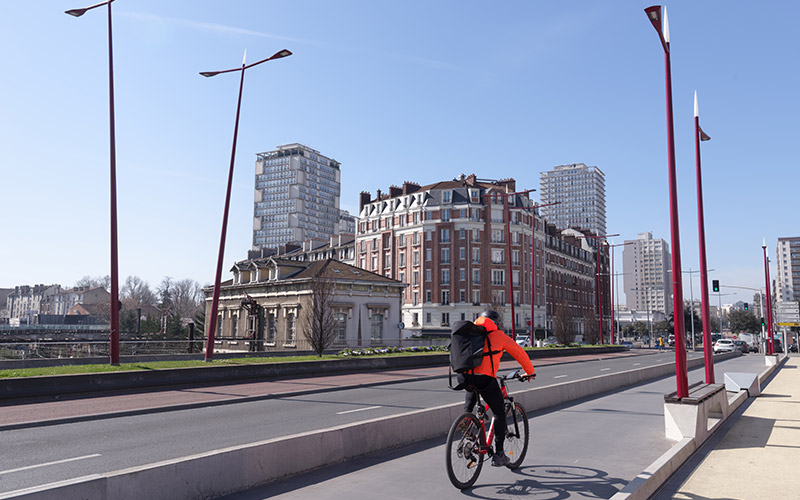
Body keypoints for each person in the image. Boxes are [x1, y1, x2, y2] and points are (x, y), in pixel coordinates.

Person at [457, 310, 536, 467]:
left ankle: (466, 423)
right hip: (485, 378)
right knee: (499, 412)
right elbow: (520, 353)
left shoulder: (469, 332)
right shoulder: (499, 336)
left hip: (465, 376)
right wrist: (530, 372)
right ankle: (499, 454)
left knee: (470, 403)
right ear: (496, 323)